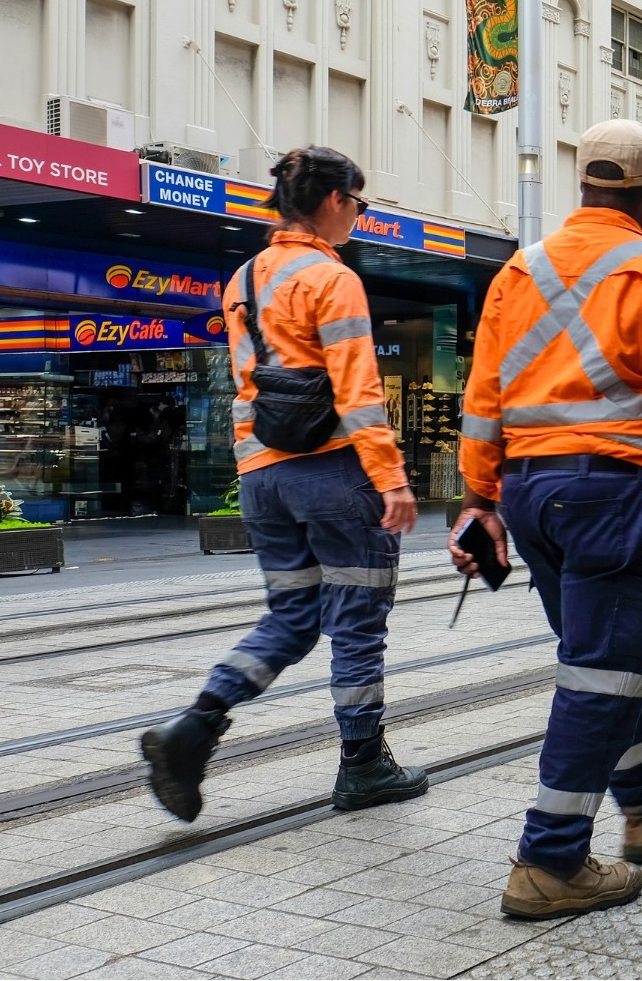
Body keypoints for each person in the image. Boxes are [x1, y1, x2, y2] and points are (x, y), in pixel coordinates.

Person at [452, 120, 642, 920]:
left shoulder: (518, 273)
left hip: (531, 498)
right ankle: (550, 861)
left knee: (600, 660)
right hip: (611, 498)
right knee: (598, 672)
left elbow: (483, 400)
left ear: (583, 189)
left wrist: (480, 499)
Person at [141, 147, 424, 823]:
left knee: (292, 617)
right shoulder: (332, 278)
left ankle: (194, 728)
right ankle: (363, 767)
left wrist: (253, 469)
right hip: (333, 474)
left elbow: (249, 388)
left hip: (263, 477)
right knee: (357, 621)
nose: (359, 215)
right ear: (334, 201)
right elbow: (358, 393)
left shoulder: (242, 279)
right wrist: (392, 480)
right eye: (359, 204)